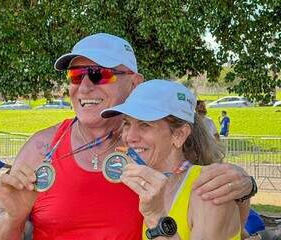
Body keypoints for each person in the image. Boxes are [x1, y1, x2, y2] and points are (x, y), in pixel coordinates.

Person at [0, 33, 255, 240]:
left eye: (99, 74)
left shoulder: (152, 149)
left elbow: (226, 220)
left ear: (135, 83)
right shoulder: (43, 147)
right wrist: (13, 218)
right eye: (76, 75)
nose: (85, 86)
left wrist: (244, 188)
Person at [101, 79, 241, 239]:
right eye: (126, 123)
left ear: (179, 135)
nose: (129, 137)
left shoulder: (208, 191)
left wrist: (156, 217)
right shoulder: (144, 185)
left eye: (145, 125)